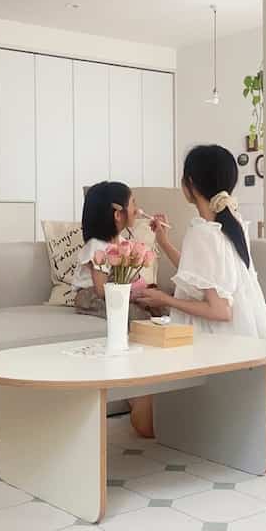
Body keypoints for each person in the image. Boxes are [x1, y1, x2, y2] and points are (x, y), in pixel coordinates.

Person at [135, 144, 266, 410]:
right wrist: (163, 241)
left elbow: (220, 311)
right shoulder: (231, 223)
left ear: (190, 184)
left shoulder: (203, 233)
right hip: (243, 339)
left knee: (148, 413)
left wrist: (165, 299)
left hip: (217, 342)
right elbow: (201, 276)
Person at [72, 180, 157, 436]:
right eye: (133, 204)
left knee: (155, 310)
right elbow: (101, 289)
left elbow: (123, 280)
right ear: (117, 213)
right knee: (136, 316)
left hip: (115, 293)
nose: (138, 209)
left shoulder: (122, 242)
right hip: (91, 296)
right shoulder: (97, 247)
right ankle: (138, 396)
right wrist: (133, 295)